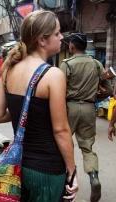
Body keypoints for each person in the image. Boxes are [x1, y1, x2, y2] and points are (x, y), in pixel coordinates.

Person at [0, 10, 78, 201]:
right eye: (57, 33)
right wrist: (72, 171)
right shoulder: (53, 75)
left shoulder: (8, 68)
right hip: (47, 171)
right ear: (42, 40)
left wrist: (22, 109)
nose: (61, 37)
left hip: (18, 167)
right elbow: (61, 130)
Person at [59, 32, 104, 202]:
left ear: (72, 46)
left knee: (63, 143)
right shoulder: (97, 64)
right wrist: (93, 95)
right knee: (87, 147)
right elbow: (107, 88)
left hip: (69, 107)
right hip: (89, 107)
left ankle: (67, 181)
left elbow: (59, 89)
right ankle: (94, 177)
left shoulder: (67, 64)